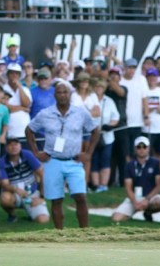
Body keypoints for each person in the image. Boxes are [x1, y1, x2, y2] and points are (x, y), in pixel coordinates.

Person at [25, 79, 101, 229]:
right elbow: (29, 130)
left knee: (80, 196)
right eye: (59, 92)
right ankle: (59, 234)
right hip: (52, 160)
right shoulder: (45, 114)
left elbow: (95, 131)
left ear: (70, 94)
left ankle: (84, 233)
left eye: (65, 92)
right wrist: (36, 152)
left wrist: (88, 153)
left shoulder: (80, 113)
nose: (62, 95)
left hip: (74, 160)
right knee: (56, 199)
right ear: (54, 95)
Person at [0, 138, 49, 224]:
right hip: (15, 193)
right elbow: (4, 184)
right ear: (6, 148)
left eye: (16, 144)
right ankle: (12, 215)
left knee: (43, 220)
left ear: (20, 146)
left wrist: (41, 197)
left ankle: (31, 212)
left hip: (32, 193)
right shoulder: (2, 162)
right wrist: (16, 190)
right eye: (10, 145)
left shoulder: (27, 155)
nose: (13, 147)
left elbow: (42, 174)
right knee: (4, 198)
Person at [111, 136, 160, 223]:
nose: (141, 149)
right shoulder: (130, 165)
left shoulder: (156, 163)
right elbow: (128, 188)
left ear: (148, 148)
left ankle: (148, 212)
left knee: (158, 202)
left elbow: (159, 186)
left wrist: (146, 199)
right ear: (135, 149)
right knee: (116, 219)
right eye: (139, 147)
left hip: (151, 197)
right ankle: (132, 212)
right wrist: (135, 202)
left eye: (144, 147)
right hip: (135, 197)